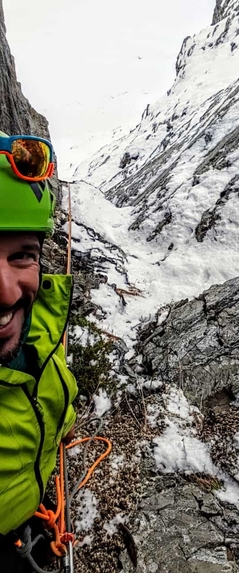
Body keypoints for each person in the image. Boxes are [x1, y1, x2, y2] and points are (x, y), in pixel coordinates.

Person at [0, 132, 78, 571]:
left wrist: (62, 423)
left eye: (22, 256)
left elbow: (50, 388)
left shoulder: (37, 337)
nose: (6, 291)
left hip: (29, 518)